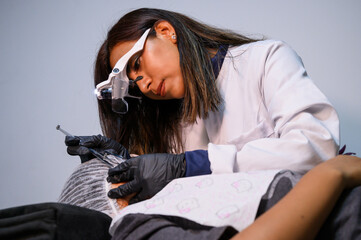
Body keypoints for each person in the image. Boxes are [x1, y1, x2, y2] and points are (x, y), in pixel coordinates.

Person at [66, 8, 340, 204]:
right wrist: (123, 163)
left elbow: (315, 147)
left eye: (136, 64)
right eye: (134, 84)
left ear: (165, 32)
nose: (145, 85)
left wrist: (190, 165)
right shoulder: (173, 120)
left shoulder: (265, 59)